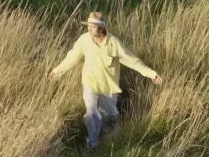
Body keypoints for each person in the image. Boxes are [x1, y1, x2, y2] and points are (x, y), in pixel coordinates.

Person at [49, 10, 162, 148]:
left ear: (101, 28)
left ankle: (109, 144)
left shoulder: (113, 43)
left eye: (92, 26)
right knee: (91, 113)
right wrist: (57, 71)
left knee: (109, 118)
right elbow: (72, 57)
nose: (89, 29)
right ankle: (92, 143)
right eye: (88, 26)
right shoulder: (84, 40)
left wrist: (151, 74)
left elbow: (131, 60)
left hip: (109, 87)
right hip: (90, 83)